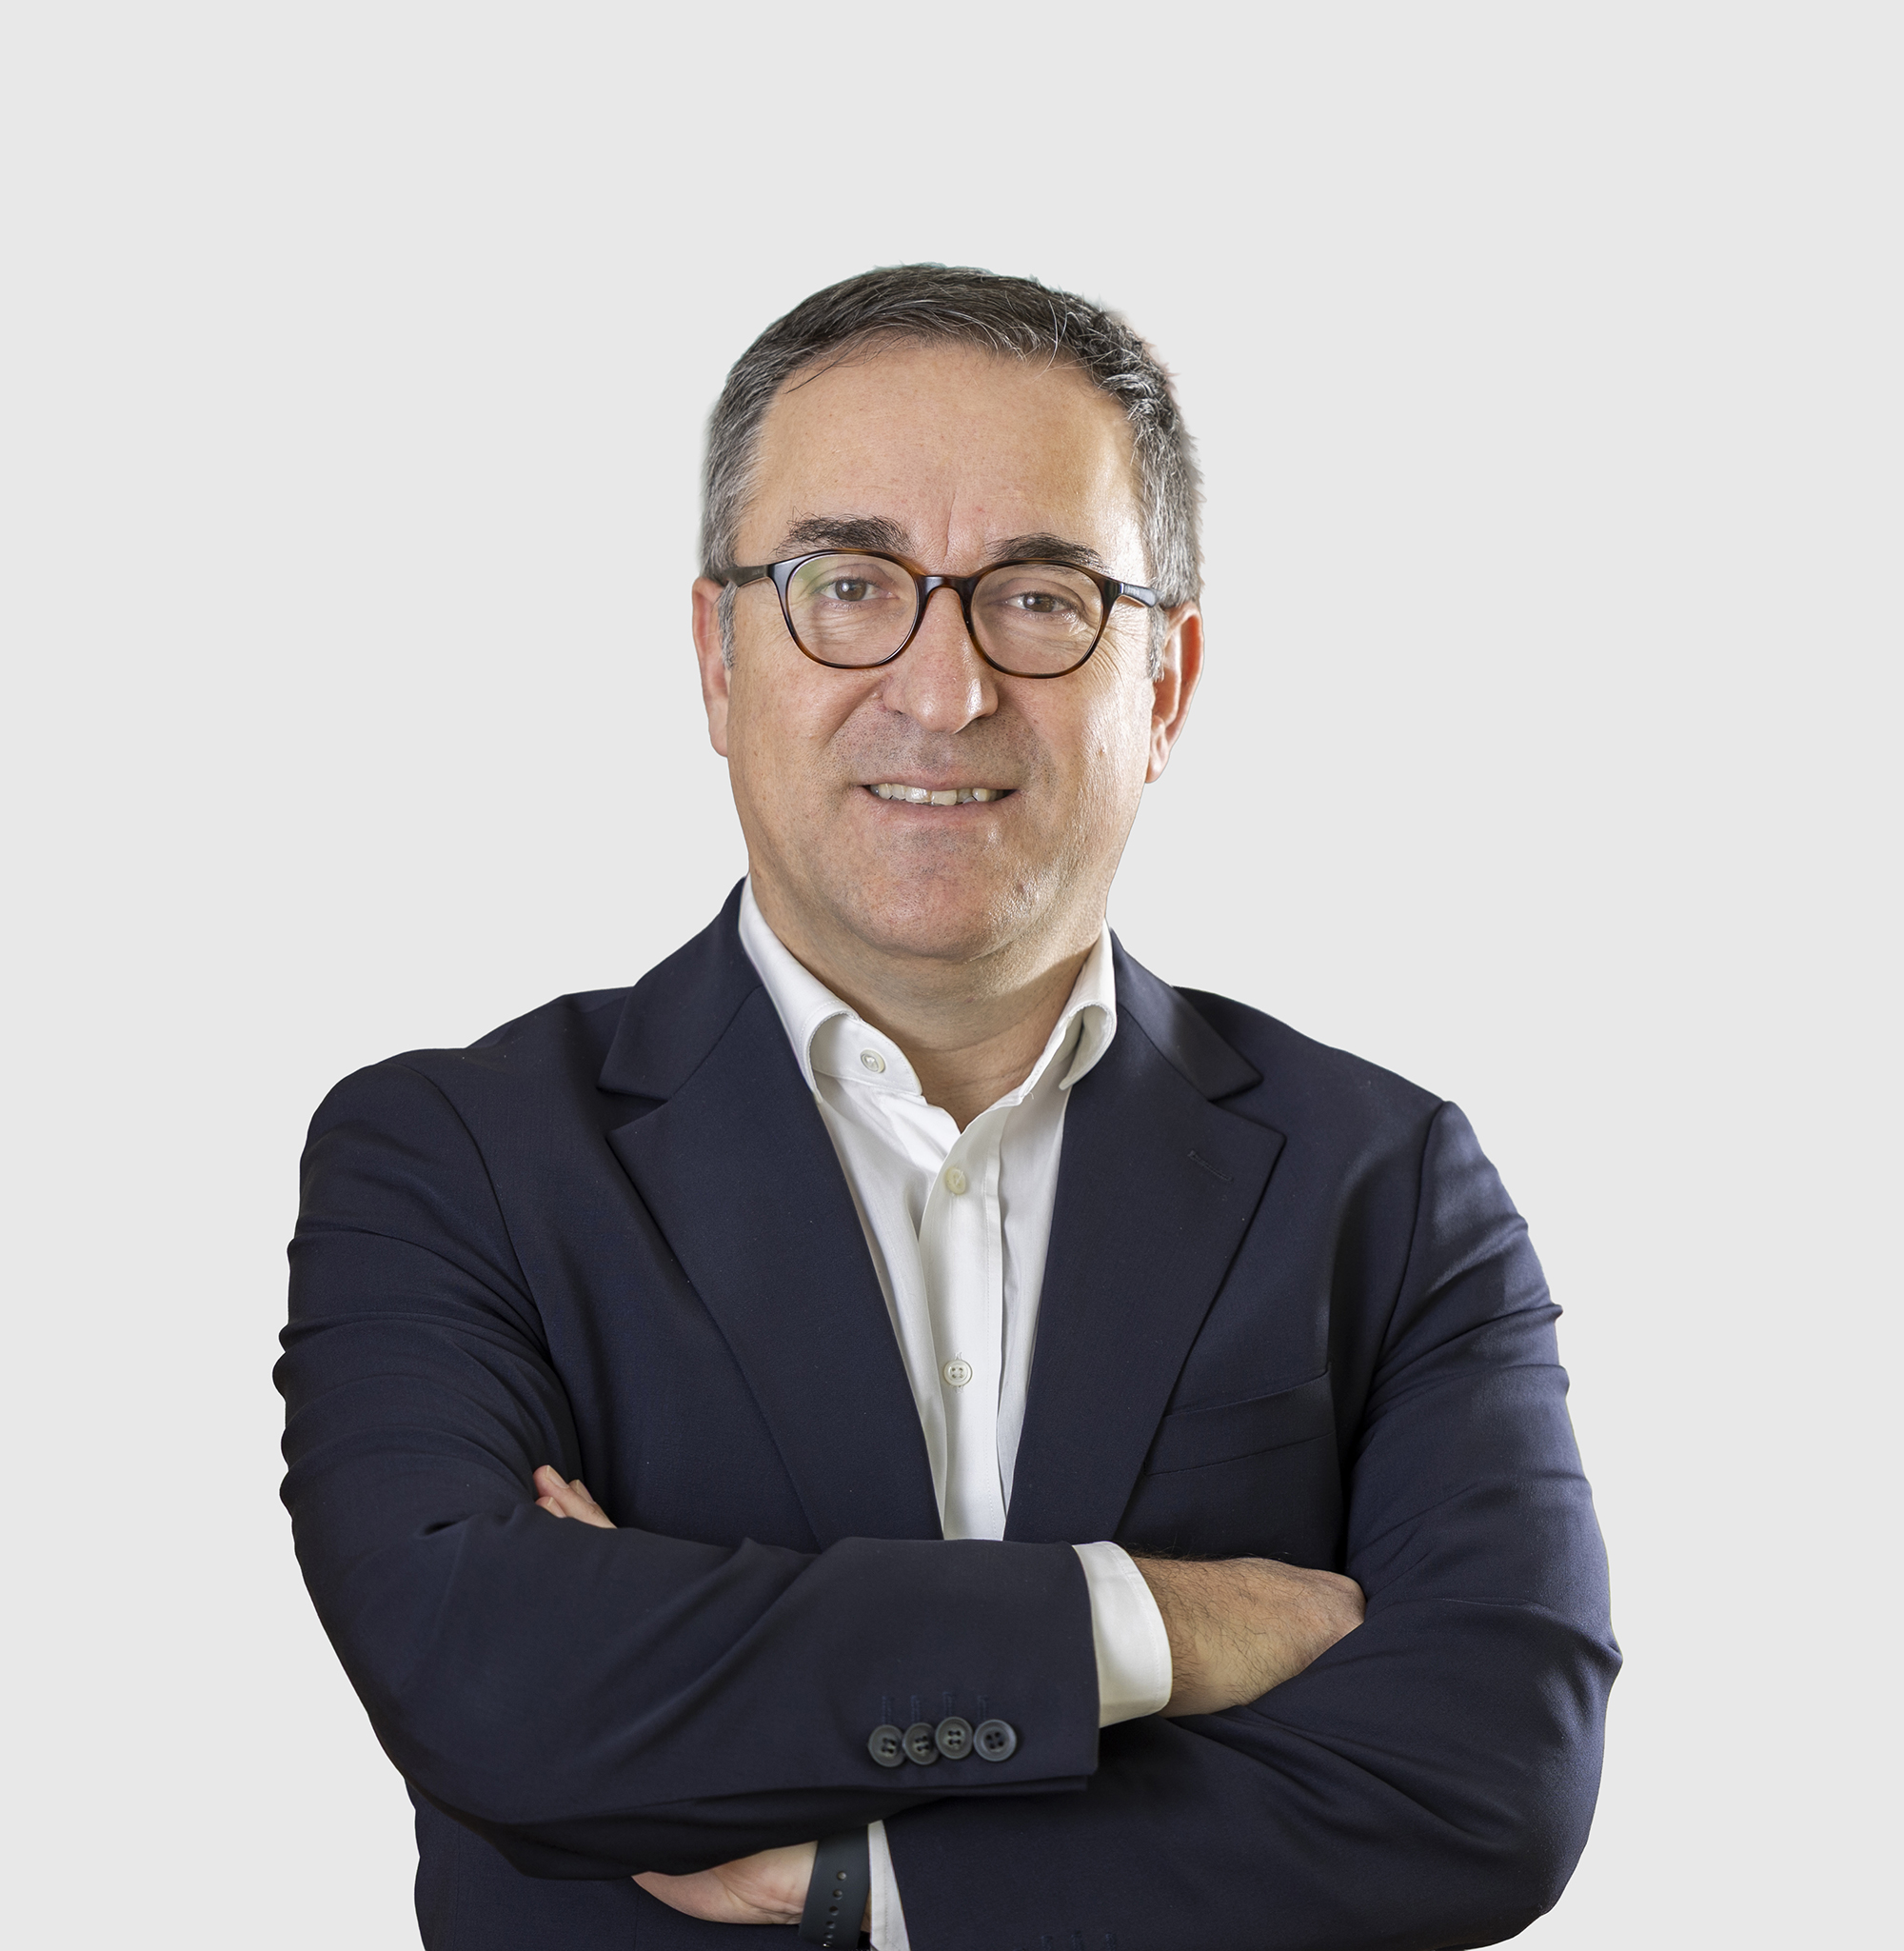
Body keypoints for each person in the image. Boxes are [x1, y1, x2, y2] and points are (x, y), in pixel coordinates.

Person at [278, 265, 1617, 1951]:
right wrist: (1148, 1625)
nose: (943, 688)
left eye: (1040, 599)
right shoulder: (452, 1159)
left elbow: (1492, 1779)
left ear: (1166, 683)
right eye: (848, 586)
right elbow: (492, 1681)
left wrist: (863, 1877)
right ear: (716, 657)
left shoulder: (1388, 1185)